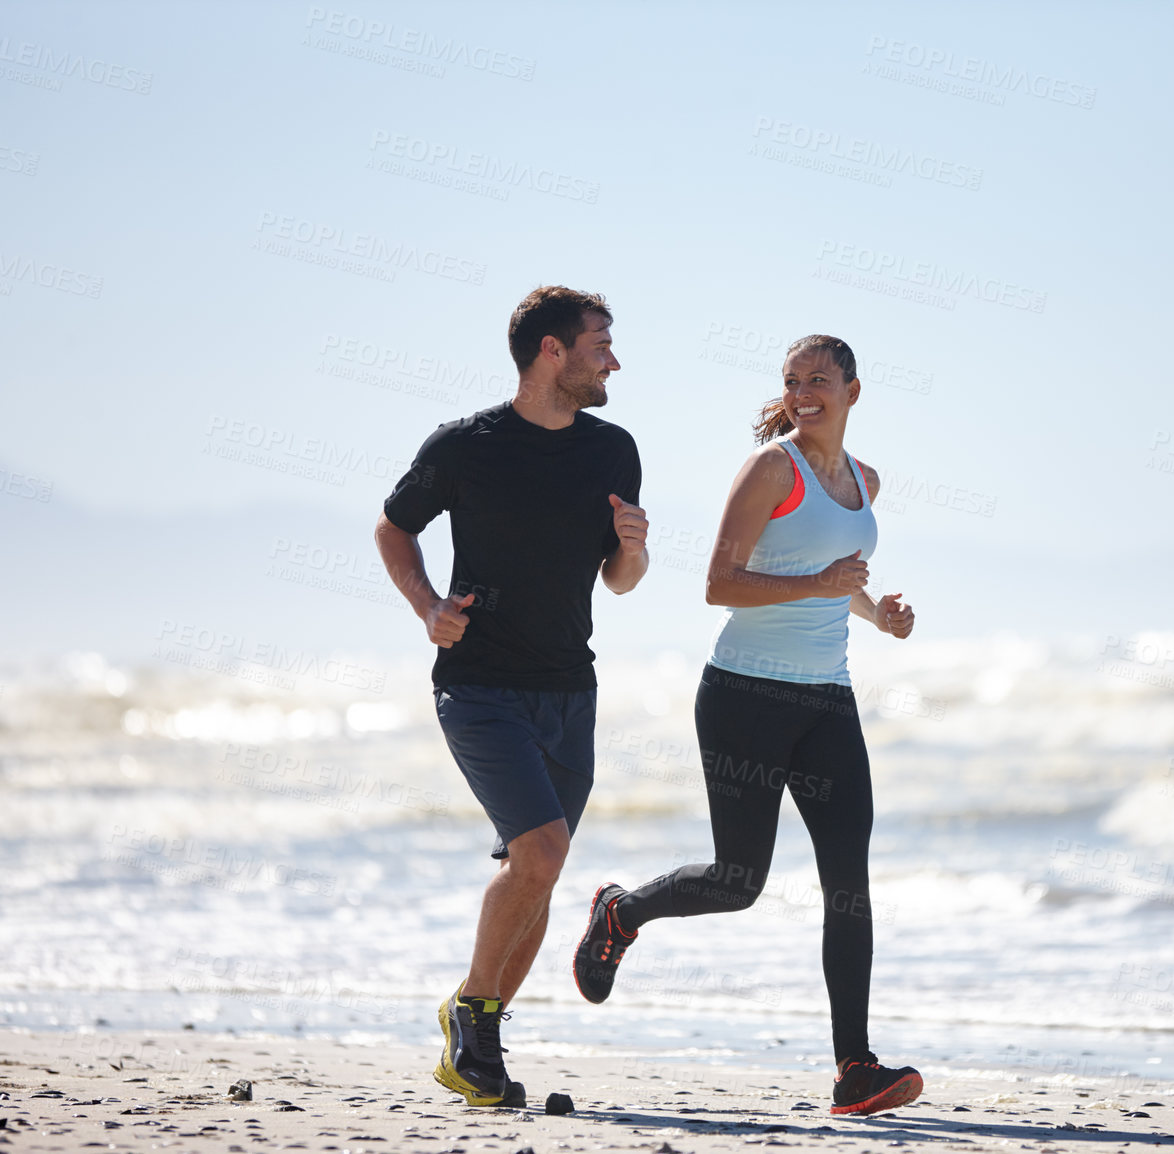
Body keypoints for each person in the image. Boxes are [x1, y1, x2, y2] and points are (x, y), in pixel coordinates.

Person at [572, 334, 921, 1116]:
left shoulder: (865, 481)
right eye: (793, 381)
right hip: (743, 697)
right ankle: (620, 913)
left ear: (854, 392)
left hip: (827, 698)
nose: (804, 393)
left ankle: (853, 1068)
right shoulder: (772, 469)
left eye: (819, 381)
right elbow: (719, 584)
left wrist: (876, 613)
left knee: (850, 885)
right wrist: (823, 582)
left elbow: (836, 581)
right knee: (739, 883)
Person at [375, 286, 647, 1107]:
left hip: (570, 686)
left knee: (538, 872)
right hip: (479, 686)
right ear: (551, 352)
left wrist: (634, 550)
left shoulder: (614, 449)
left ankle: (476, 1037)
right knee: (542, 855)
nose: (614, 358)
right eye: (601, 342)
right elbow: (394, 526)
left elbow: (620, 580)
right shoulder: (466, 445)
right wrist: (428, 608)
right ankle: (474, 1020)